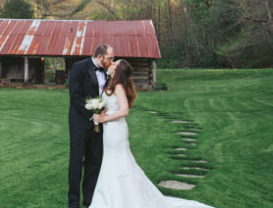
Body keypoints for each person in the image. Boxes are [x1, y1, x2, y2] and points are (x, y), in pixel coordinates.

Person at [89, 60, 213, 208]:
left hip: (116, 131)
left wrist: (104, 118)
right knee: (109, 160)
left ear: (118, 70)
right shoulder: (111, 85)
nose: (111, 64)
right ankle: (108, 197)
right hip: (109, 131)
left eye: (114, 64)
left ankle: (122, 199)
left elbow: (124, 110)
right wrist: (102, 111)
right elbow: (112, 106)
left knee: (119, 162)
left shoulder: (119, 87)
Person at [69, 44, 114, 207]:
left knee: (94, 162)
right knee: (76, 162)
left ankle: (90, 201)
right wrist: (91, 114)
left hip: (99, 124)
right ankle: (73, 203)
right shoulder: (79, 68)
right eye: (110, 58)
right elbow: (75, 95)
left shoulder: (106, 72)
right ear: (100, 56)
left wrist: (102, 114)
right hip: (80, 123)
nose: (112, 61)